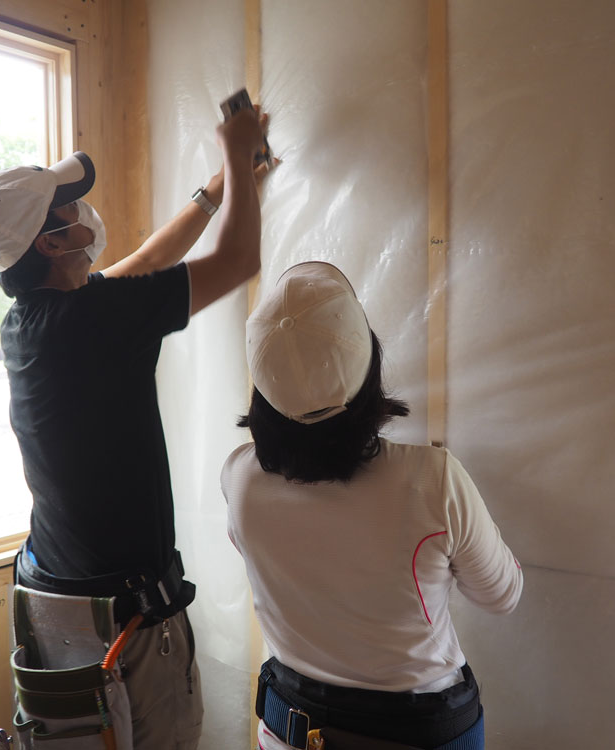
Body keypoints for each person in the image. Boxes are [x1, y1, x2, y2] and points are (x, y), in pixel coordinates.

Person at [0, 106, 267, 749]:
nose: (83, 214)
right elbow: (240, 259)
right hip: (121, 617)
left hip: (55, 598)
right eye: (68, 209)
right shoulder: (90, 321)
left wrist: (217, 190)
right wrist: (240, 156)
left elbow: (149, 260)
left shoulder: (33, 321)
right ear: (50, 244)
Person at [221, 261, 523, 750]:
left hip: (288, 729)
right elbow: (501, 596)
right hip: (418, 730)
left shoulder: (238, 477)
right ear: (369, 368)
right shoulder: (432, 480)